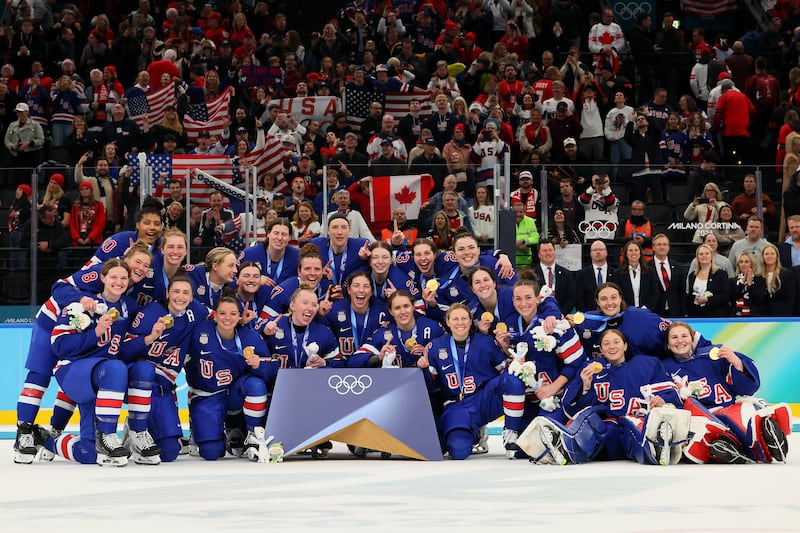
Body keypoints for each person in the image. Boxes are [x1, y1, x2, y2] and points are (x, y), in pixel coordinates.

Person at [44, 260, 140, 466]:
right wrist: (95, 333)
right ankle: (107, 435)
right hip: (73, 372)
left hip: (101, 379)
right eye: (113, 277)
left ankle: (46, 440)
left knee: (89, 453)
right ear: (103, 278)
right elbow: (59, 346)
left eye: (124, 278)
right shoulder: (80, 306)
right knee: (115, 367)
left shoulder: (129, 308)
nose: (119, 281)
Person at [662, 322, 790, 463]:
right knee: (698, 431)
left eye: (684, 336)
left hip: (728, 409)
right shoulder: (663, 368)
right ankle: (726, 448)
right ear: (667, 344)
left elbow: (748, 388)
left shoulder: (713, 354)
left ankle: (766, 437)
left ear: (692, 340)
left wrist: (736, 362)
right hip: (700, 418)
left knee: (749, 411)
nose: (680, 341)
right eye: (674, 337)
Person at [556, 328, 686, 465]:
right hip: (608, 428)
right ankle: (567, 449)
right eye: (606, 344)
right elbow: (572, 407)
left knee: (633, 427)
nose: (612, 347)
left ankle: (657, 449)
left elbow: (670, 391)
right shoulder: (590, 370)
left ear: (625, 346)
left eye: (616, 342)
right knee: (597, 427)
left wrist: (662, 399)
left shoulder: (645, 364)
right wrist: (586, 387)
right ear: (601, 349)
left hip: (636, 422)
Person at [417, 303, 526, 460]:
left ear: (470, 321)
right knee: (459, 451)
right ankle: (476, 432)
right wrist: (425, 369)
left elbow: (505, 372)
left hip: (484, 398)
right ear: (447, 322)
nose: (460, 323)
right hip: (457, 405)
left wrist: (514, 359)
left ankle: (511, 434)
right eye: (455, 319)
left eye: (464, 318)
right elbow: (432, 387)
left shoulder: (486, 342)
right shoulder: (435, 347)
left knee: (514, 377)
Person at [120, 272, 210, 462]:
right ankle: (138, 425)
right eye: (176, 291)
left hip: (164, 387)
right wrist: (150, 337)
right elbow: (124, 350)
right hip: (141, 382)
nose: (181, 297)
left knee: (169, 452)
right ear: (167, 292)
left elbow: (219, 316)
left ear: (192, 296)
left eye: (186, 293)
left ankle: (133, 425)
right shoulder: (149, 314)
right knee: (145, 371)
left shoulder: (197, 312)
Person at [185, 291, 275, 461]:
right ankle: (202, 429)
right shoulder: (199, 332)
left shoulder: (249, 337)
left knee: (255, 385)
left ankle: (251, 433)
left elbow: (272, 370)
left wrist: (259, 365)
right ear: (215, 315)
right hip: (207, 397)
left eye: (233, 314)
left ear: (240, 316)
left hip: (234, 393)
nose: (228, 318)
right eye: (222, 313)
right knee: (211, 452)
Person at [350, 290, 444, 369]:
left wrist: (429, 355)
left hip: (426, 388)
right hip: (395, 387)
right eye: (397, 308)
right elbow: (353, 361)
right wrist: (379, 357)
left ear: (413, 307)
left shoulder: (432, 327)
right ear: (391, 311)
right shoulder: (383, 334)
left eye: (406, 306)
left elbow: (447, 357)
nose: (402, 312)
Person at [322, 270, 389, 364]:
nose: (361, 290)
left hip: (372, 367)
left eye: (366, 286)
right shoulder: (334, 310)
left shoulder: (383, 311)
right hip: (340, 368)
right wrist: (320, 314)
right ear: (349, 290)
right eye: (356, 285)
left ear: (371, 292)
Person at [260, 244, 335, 319]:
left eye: (317, 269)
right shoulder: (284, 291)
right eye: (307, 269)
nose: (312, 273)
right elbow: (264, 323)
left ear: (322, 271)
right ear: (299, 271)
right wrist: (289, 318)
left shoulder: (327, 288)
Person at [238, 218, 300, 288]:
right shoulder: (250, 254)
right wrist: (256, 279)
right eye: (276, 233)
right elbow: (234, 279)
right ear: (268, 234)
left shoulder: (297, 257)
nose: (279, 238)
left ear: (289, 237)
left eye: (284, 234)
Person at [686, 244, 731, 317]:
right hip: (696, 314)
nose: (704, 256)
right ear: (697, 257)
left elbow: (726, 295)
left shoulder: (721, 274)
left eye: (707, 253)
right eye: (701, 254)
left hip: (716, 315)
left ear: (711, 256)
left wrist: (707, 299)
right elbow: (690, 297)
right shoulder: (692, 275)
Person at [575, 240, 620, 312]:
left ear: (606, 252)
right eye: (595, 250)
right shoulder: (582, 274)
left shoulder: (616, 272)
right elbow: (579, 298)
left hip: (612, 314)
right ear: (590, 253)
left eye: (601, 249)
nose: (598, 252)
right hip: (590, 315)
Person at [649, 233, 687, 318]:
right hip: (654, 313)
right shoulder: (646, 267)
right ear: (653, 247)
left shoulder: (678, 267)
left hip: (675, 312)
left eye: (664, 244)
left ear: (668, 247)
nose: (662, 247)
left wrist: (684, 312)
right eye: (659, 244)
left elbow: (682, 292)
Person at [617, 240, 660, 310]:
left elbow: (654, 294)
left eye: (636, 250)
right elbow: (618, 295)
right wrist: (628, 309)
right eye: (630, 250)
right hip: (626, 312)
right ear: (626, 254)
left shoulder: (650, 272)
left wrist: (645, 308)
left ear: (640, 253)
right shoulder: (618, 273)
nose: (633, 253)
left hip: (646, 312)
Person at [760, 243, 797, 316]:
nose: (769, 256)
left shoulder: (787, 274)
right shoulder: (759, 276)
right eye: (766, 254)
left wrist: (787, 317)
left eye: (772, 254)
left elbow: (791, 299)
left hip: (783, 315)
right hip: (764, 317)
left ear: (777, 256)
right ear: (763, 257)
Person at [729, 251, 768, 317]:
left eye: (746, 262)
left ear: (752, 264)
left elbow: (759, 299)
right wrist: (742, 282)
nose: (743, 264)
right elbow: (732, 299)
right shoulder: (732, 281)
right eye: (741, 262)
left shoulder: (760, 280)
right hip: (736, 316)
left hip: (754, 316)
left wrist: (750, 285)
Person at [69, 182, 106, 247]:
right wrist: (77, 238)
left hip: (94, 240)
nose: (84, 191)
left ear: (91, 191)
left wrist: (91, 237)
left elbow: (101, 223)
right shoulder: (75, 207)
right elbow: (72, 224)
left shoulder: (99, 205)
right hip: (79, 239)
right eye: (82, 189)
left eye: (86, 189)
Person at [513, 200, 539, 269]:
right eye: (516, 212)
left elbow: (536, 238)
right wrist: (514, 244)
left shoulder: (530, 221)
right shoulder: (507, 221)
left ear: (525, 212)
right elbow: (503, 239)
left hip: (526, 263)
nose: (518, 214)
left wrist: (524, 241)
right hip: (510, 262)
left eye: (521, 212)